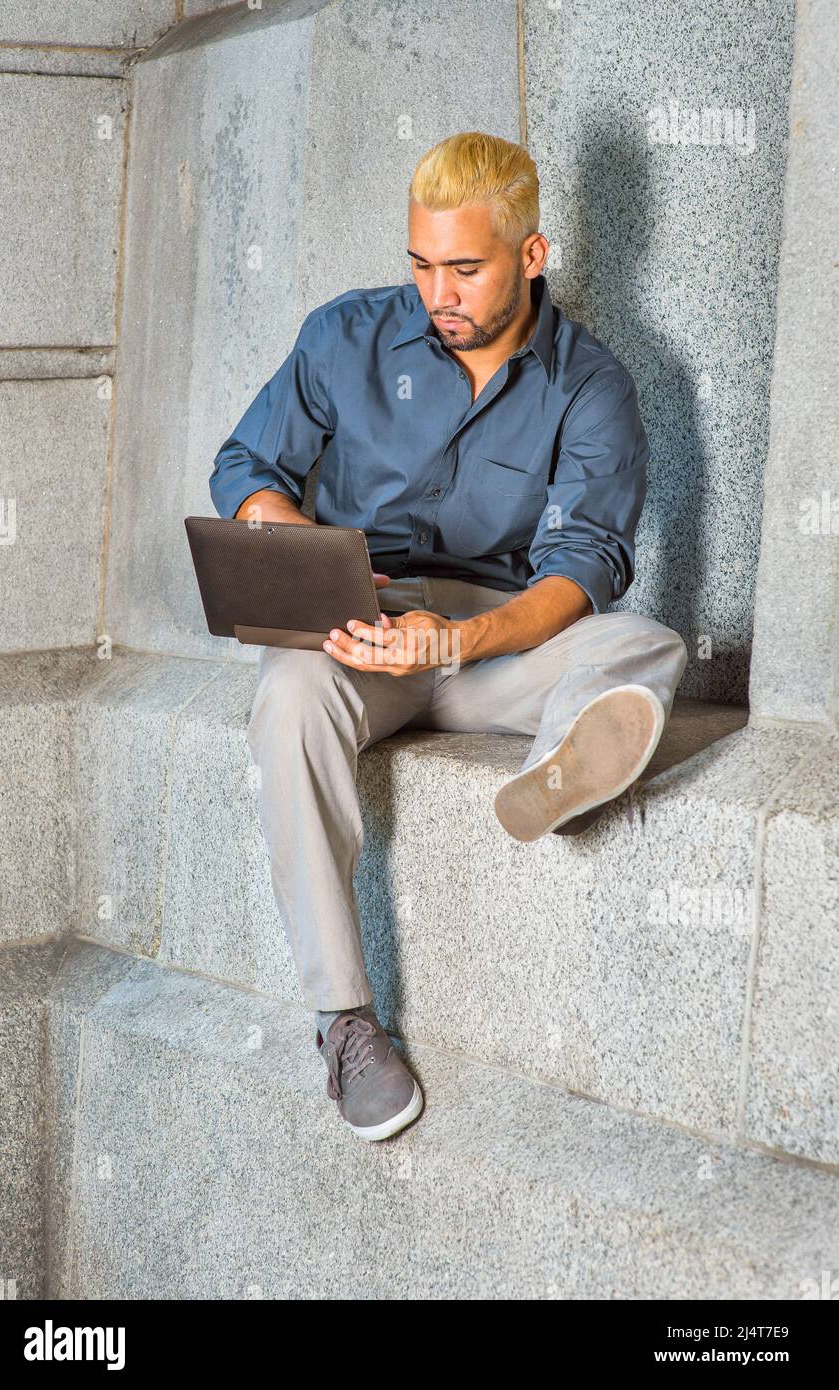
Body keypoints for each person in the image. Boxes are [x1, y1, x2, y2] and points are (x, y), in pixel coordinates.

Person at [209, 130, 688, 1143]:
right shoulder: (343, 339)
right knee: (286, 698)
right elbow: (245, 466)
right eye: (422, 264)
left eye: (463, 268)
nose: (438, 292)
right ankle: (344, 1020)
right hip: (356, 632)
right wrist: (321, 570)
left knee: (642, 644)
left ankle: (565, 760)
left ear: (530, 254)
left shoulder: (589, 385)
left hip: (490, 642)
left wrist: (455, 643)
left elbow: (585, 565)